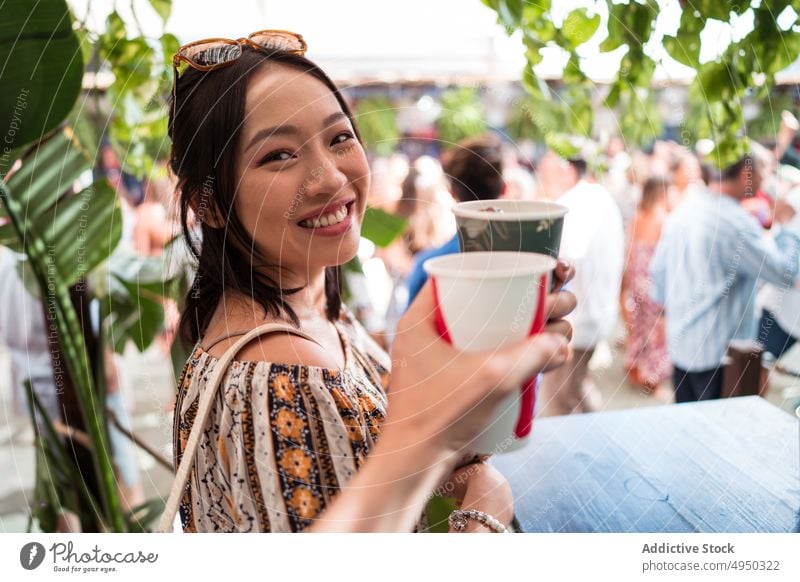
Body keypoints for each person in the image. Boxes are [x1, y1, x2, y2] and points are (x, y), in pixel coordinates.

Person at [167, 31, 575, 533]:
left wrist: (464, 398)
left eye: (339, 138)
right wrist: (483, 516)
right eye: (278, 155)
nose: (331, 178)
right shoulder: (286, 378)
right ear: (206, 204)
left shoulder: (316, 317)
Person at [650, 154, 800, 402]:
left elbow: (659, 278)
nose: (766, 178)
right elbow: (786, 272)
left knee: (688, 429)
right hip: (717, 358)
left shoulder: (685, 209)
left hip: (681, 348)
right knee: (713, 433)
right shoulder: (735, 223)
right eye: (763, 169)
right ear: (745, 173)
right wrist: (786, 225)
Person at [537, 152, 625, 416]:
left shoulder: (572, 205)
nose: (542, 181)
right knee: (576, 389)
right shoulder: (598, 197)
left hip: (578, 321)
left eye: (546, 174)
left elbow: (562, 259)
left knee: (560, 399)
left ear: (567, 171)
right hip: (595, 315)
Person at [405, 133, 505, 306]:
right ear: (504, 188)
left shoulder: (428, 266)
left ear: (452, 192)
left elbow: (409, 328)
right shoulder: (530, 257)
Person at [620, 177, 672, 400]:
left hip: (636, 280)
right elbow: (666, 258)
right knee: (656, 330)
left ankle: (635, 365)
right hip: (653, 282)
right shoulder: (663, 220)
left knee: (639, 325)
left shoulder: (637, 217)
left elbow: (628, 250)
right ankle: (651, 375)